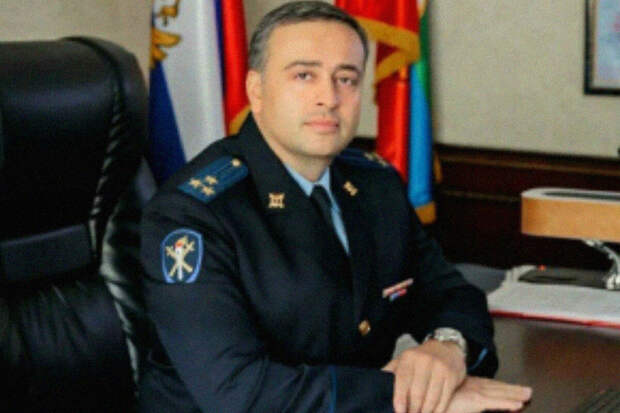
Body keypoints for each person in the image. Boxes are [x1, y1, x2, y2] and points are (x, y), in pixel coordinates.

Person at [138, 2, 532, 412]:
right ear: (256, 89)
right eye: (304, 75)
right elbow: (238, 391)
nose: (328, 98)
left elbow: (450, 293)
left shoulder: (376, 185)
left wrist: (447, 348)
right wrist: (409, 398)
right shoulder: (194, 214)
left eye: (346, 79)